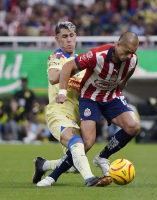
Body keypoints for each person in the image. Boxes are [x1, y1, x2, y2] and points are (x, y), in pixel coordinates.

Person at [49, 31, 141, 182]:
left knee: (134, 126)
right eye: (126, 52)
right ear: (117, 44)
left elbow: (125, 78)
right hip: (89, 98)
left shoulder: (132, 60)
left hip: (111, 98)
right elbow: (67, 67)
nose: (129, 56)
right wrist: (63, 91)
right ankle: (52, 176)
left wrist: (117, 94)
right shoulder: (97, 55)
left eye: (133, 53)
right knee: (87, 143)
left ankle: (102, 157)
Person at [33, 21, 110, 187]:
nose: (69, 40)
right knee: (76, 143)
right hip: (58, 112)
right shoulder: (57, 57)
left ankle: (43, 165)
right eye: (64, 36)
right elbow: (53, 77)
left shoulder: (80, 61)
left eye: (72, 36)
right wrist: (71, 69)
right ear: (57, 39)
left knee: (73, 163)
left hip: (77, 115)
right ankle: (89, 179)